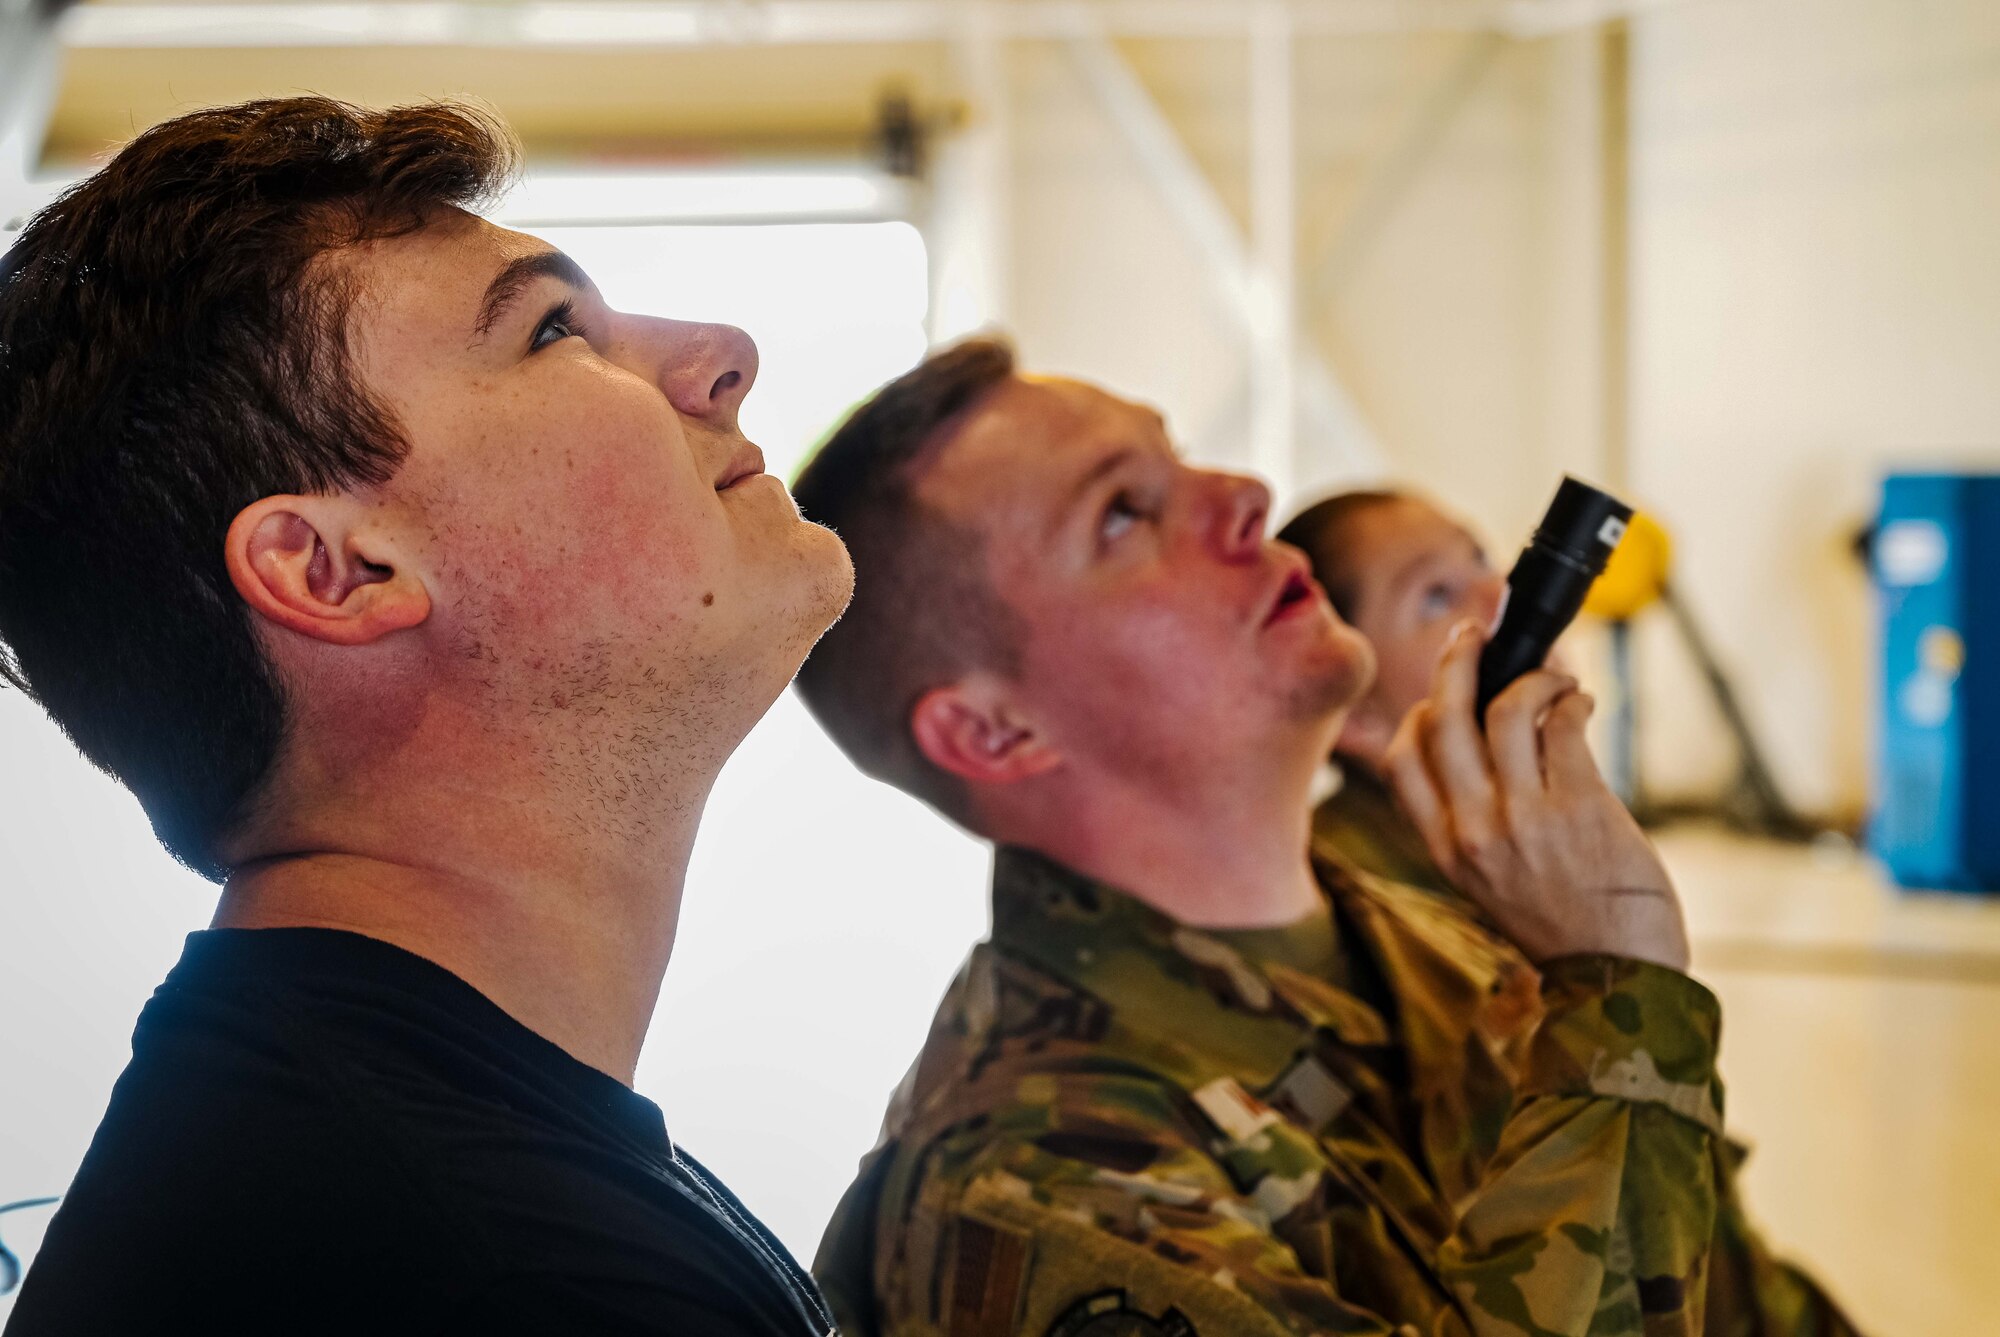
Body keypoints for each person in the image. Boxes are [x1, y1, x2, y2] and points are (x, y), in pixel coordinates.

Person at [791, 340, 1857, 1337]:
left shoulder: (1439, 938)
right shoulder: (1037, 1191)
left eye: (1185, 460)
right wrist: (1619, 991)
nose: (1243, 498)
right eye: (1123, 512)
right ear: (992, 729)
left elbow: (1732, 1285)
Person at [0, 98, 849, 1334]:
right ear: (333, 571)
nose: (720, 353)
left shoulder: (358, 1165)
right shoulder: (501, 1273)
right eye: (555, 331)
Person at [1280, 488, 1860, 1336]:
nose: (1497, 597)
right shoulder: (1376, 930)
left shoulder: (1527, 854)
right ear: (1353, 714)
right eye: (1433, 597)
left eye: (1482, 559)